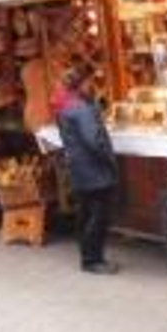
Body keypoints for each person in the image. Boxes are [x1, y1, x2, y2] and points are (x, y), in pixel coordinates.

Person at [53, 67, 119, 275]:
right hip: (94, 168)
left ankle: (87, 255)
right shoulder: (82, 109)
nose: (92, 86)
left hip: (79, 166)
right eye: (89, 82)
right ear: (81, 84)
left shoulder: (66, 107)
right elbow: (94, 140)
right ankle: (93, 259)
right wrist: (109, 159)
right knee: (98, 214)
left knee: (85, 212)